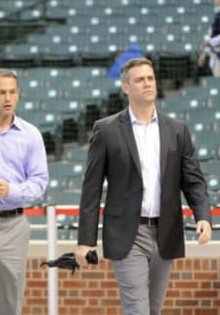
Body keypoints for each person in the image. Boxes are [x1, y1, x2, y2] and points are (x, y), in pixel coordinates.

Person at [75, 57, 212, 315]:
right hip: (128, 232)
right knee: (137, 309)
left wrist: (202, 216)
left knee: (153, 309)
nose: (147, 83)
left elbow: (193, 180)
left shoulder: (177, 130)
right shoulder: (106, 130)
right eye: (140, 79)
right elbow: (91, 189)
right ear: (126, 87)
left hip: (166, 232)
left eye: (150, 78)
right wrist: (86, 240)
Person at [0, 69, 49, 315]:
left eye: (12, 92)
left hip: (14, 225)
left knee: (11, 297)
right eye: (1, 92)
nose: (7, 98)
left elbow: (39, 181)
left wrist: (10, 190)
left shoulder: (31, 135)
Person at [198, 0, 220, 77]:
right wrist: (204, 52)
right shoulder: (217, 14)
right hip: (216, 55)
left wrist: (211, 42)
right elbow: (211, 34)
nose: (214, 0)